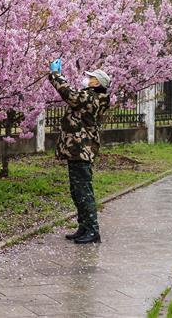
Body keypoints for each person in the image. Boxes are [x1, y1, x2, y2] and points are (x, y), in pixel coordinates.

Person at [48, 59, 111, 244]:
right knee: (77, 191)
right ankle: (84, 227)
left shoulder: (91, 98)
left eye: (91, 78)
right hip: (76, 149)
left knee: (84, 191)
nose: (87, 78)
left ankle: (92, 231)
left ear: (97, 83)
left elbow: (68, 93)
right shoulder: (91, 97)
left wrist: (56, 74)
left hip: (81, 150)